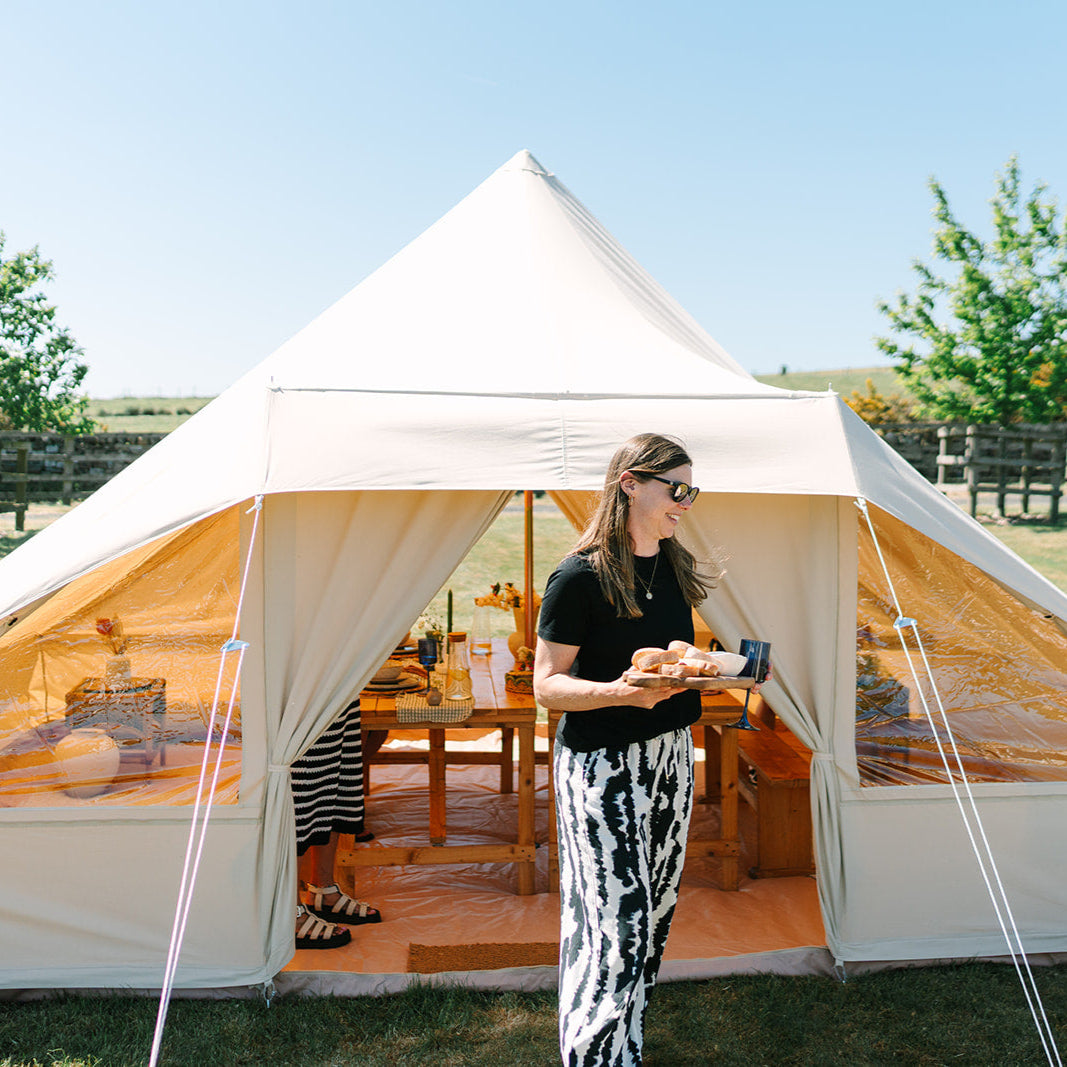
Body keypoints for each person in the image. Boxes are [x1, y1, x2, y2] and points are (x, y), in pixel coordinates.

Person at [533, 432, 717, 1066]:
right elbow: (547, 686)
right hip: (602, 765)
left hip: (669, 756)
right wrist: (618, 693)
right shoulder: (577, 576)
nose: (686, 503)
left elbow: (672, 657)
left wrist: (722, 668)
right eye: (678, 489)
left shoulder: (670, 563)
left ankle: (623, 1048)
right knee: (615, 923)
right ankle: (593, 1057)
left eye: (692, 490)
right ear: (630, 483)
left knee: (654, 915)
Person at [291, 699, 383, 949]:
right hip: (302, 685)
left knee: (337, 775)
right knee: (304, 782)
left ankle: (323, 890)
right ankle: (289, 913)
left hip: (338, 681)